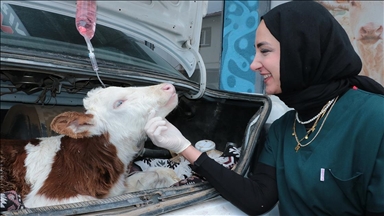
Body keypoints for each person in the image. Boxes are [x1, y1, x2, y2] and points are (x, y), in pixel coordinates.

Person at [145, 1, 384, 215]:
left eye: (265, 50)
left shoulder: (375, 119)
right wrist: (183, 146)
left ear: (303, 49)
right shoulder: (284, 128)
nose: (253, 64)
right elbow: (258, 199)